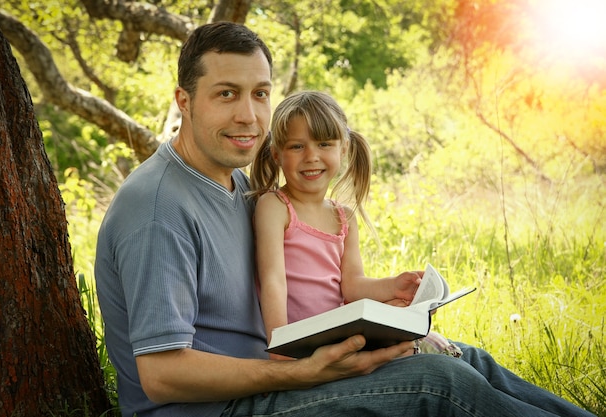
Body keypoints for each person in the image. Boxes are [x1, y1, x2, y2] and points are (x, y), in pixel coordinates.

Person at [94, 21, 596, 417]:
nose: (249, 115)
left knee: (465, 358)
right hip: (218, 409)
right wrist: (303, 374)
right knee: (442, 385)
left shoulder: (238, 184)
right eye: (226, 94)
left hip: (283, 370)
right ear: (184, 101)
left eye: (261, 93)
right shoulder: (158, 208)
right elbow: (161, 375)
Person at [249, 90, 462, 359]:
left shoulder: (343, 216)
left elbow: (352, 285)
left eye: (324, 144)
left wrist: (394, 285)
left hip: (339, 330)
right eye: (297, 146)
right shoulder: (275, 207)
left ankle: (432, 352)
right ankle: (431, 357)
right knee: (417, 348)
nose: (311, 156)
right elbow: (273, 281)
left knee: (398, 307)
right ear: (277, 155)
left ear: (344, 149)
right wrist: (280, 350)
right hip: (302, 343)